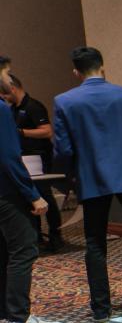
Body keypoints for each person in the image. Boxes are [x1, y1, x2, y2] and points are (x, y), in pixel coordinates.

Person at [53, 46, 122, 320]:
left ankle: (101, 308)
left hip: (92, 178)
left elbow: (64, 151)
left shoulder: (65, 102)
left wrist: (68, 178)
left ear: (76, 72)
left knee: (95, 243)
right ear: (102, 66)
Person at [0, 69, 62, 323]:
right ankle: (18, 318)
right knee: (24, 249)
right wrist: (32, 194)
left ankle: (4, 317)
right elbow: (9, 158)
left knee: (3, 253)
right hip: (7, 193)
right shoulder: (1, 109)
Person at [0, 74, 63, 251]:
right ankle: (36, 234)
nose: (3, 97)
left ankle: (55, 235)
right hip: (20, 159)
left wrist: (21, 132)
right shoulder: (10, 109)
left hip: (38, 157)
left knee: (44, 195)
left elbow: (47, 132)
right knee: (28, 199)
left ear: (12, 88)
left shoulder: (34, 107)